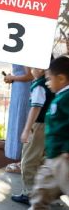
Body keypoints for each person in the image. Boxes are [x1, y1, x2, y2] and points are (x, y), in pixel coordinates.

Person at [28, 56, 69, 209]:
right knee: (40, 192)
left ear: (62, 78)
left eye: (49, 79)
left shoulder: (67, 98)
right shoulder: (60, 96)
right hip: (52, 158)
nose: (47, 82)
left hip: (64, 159)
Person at [10, 64, 54, 205]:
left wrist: (27, 128)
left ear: (40, 69)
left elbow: (36, 107)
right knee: (43, 161)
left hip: (39, 125)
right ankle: (44, 194)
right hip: (49, 126)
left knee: (28, 161)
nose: (29, 70)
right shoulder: (52, 84)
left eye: (31, 67)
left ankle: (29, 194)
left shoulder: (39, 85)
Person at [3, 65, 34, 173]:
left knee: (21, 120)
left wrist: (12, 78)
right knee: (19, 121)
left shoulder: (24, 52)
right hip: (19, 87)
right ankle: (22, 160)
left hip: (24, 89)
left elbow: (30, 75)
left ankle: (24, 161)